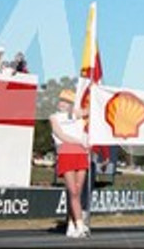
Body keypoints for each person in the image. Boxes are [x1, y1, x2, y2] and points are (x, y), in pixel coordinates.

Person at [50, 89, 90, 239]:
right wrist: (80, 141)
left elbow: (93, 110)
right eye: (61, 100)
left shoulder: (77, 115)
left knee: (77, 192)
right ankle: (80, 226)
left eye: (66, 101)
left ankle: (72, 224)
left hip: (81, 154)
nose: (62, 103)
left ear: (71, 104)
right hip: (66, 153)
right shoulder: (54, 117)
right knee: (72, 191)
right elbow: (61, 135)